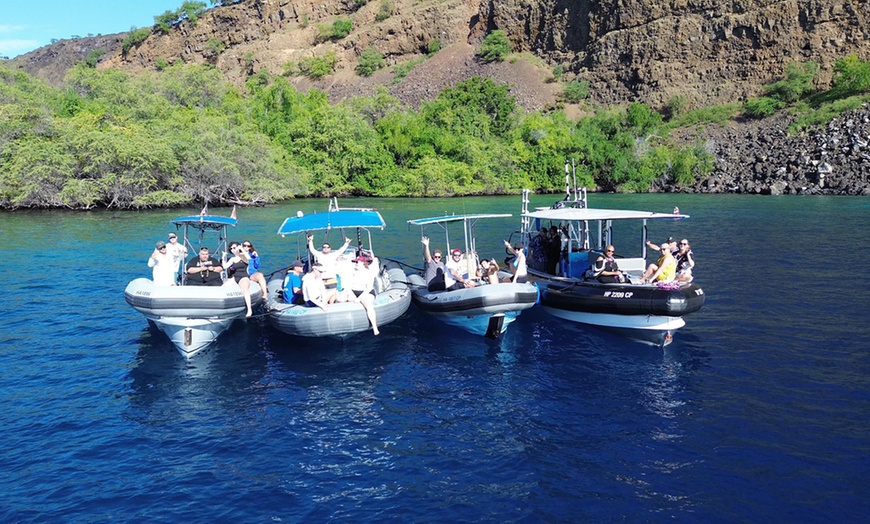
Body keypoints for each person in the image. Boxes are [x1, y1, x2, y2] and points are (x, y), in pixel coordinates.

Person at [346, 254, 380, 335]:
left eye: (358, 262)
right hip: (354, 291)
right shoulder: (352, 272)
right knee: (342, 298)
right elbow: (348, 285)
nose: (356, 264)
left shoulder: (369, 273)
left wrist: (359, 298)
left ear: (364, 263)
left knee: (368, 305)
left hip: (366, 292)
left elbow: (368, 288)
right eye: (355, 262)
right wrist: (351, 294)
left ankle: (375, 327)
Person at [222, 241, 255, 317]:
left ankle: (249, 309)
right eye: (231, 249)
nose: (233, 250)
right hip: (235, 277)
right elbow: (225, 266)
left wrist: (241, 249)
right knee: (223, 287)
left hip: (243, 277)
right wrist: (223, 257)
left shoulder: (243, 256)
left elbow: (248, 259)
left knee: (245, 289)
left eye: (234, 248)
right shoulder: (233, 259)